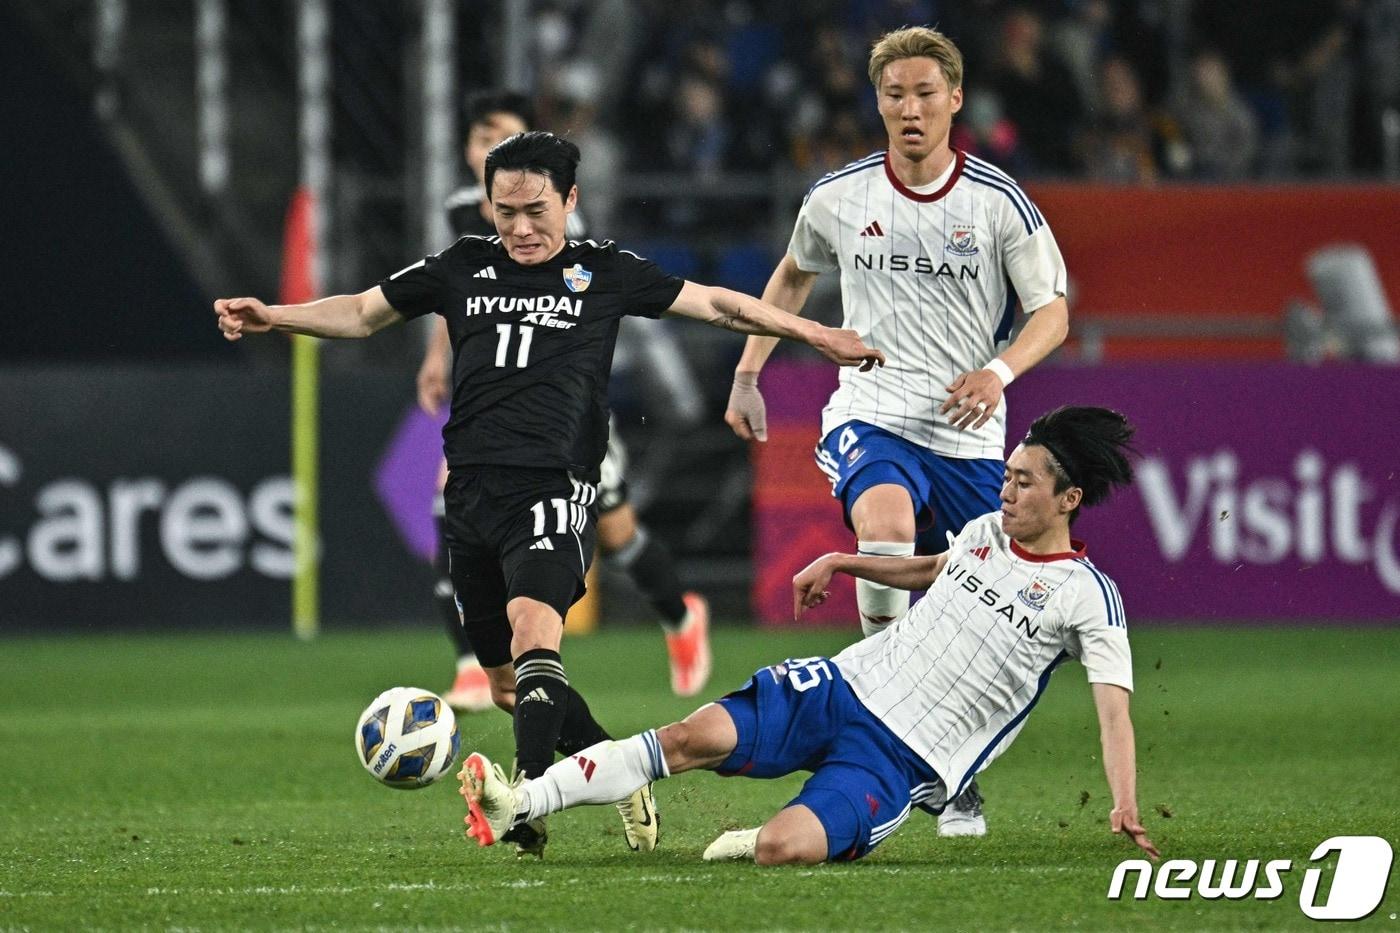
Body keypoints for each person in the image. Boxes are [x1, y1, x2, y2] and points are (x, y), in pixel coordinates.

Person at [214, 131, 884, 859]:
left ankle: (524, 802)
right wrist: (277, 315)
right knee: (507, 684)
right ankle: (618, 771)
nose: (521, 228)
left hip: (556, 488)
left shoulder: (604, 272)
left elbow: (720, 305)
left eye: (536, 209)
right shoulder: (461, 265)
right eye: (505, 212)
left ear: (570, 200)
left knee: (538, 630)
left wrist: (813, 330)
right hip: (471, 497)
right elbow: (363, 312)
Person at [459, 407, 1159, 867]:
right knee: (686, 738)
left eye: (1024, 483)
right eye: (1004, 476)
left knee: (779, 850)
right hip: (844, 685)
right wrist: (842, 559)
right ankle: (523, 799)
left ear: (1068, 499)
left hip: (902, 756)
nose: (1005, 492)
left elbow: (1114, 710)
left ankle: (764, 832)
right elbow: (931, 566)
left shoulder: (1086, 597)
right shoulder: (983, 533)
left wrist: (1123, 798)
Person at [724, 26, 1070, 836]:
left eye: (924, 94)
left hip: (971, 431)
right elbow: (794, 274)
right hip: (873, 411)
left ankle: (951, 766)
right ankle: (889, 708)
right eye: (893, 95)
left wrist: (999, 373)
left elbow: (1051, 310)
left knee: (985, 604)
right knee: (883, 526)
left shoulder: (997, 202)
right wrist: (748, 371)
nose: (908, 110)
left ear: (955, 100)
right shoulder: (840, 196)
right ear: (876, 101)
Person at [419, 92, 713, 711]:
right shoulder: (459, 212)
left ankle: (680, 615)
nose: (484, 149)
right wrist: (437, 357)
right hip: (496, 411)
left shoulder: (557, 223)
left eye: (499, 136)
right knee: (451, 497)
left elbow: (579, 295)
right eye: (478, 139)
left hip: (567, 409)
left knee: (618, 532)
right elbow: (462, 292)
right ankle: (476, 663)